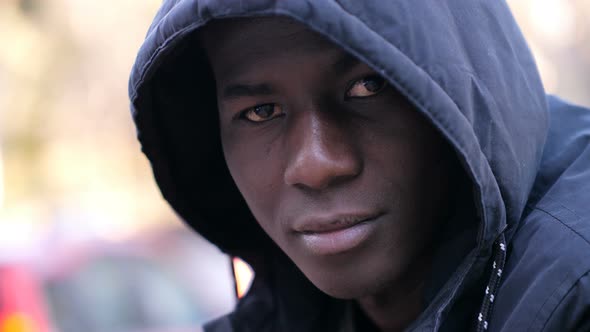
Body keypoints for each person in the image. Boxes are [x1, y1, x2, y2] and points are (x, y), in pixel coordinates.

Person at [128, 1, 590, 331]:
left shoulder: (572, 290)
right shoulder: (285, 312)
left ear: (469, 91)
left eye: (367, 87)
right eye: (262, 112)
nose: (317, 165)